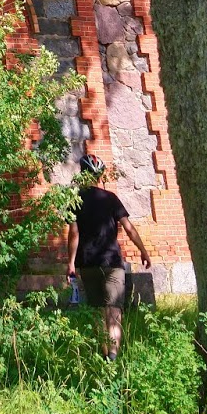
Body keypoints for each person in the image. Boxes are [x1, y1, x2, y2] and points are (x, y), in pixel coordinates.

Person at [66, 153, 152, 358]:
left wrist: (71, 263)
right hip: (112, 262)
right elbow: (129, 228)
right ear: (100, 176)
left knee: (97, 310)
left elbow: (74, 234)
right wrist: (143, 251)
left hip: (88, 263)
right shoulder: (111, 199)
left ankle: (104, 355)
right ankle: (113, 355)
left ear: (82, 174)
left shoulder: (75, 201)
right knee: (113, 309)